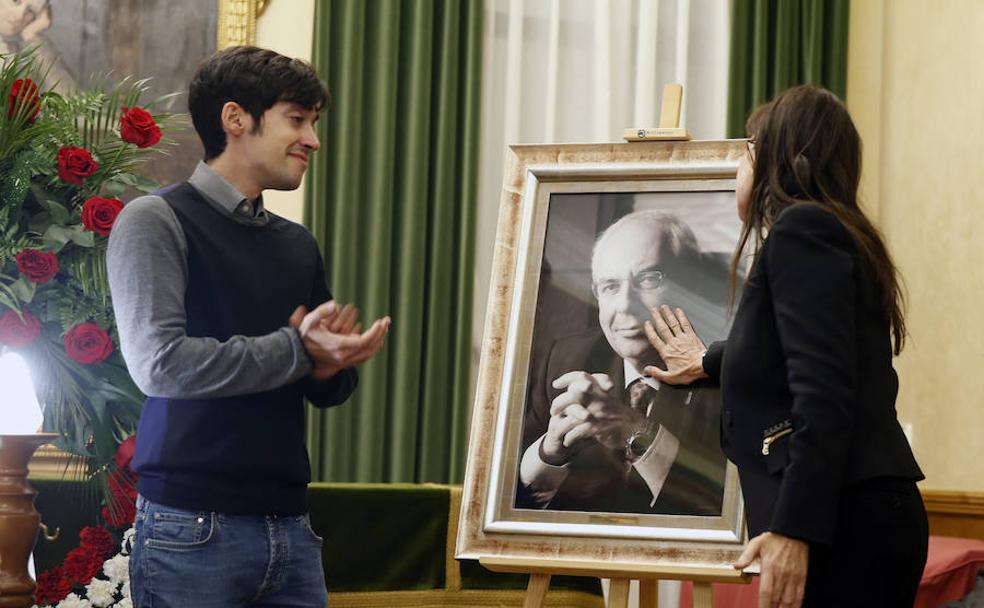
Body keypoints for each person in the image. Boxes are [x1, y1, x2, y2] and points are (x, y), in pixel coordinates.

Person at [107, 46, 390, 608]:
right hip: (191, 530)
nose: (313, 139)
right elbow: (159, 365)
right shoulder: (153, 219)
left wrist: (328, 367)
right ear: (235, 119)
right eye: (298, 119)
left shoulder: (297, 243)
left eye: (313, 123)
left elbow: (315, 378)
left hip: (292, 526)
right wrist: (297, 349)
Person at [644, 85, 927, 607]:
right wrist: (705, 361)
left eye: (748, 150)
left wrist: (796, 530)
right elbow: (798, 348)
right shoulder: (835, 231)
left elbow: (823, 393)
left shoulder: (802, 231)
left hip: (845, 527)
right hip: (861, 518)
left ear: (782, 160)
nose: (738, 165)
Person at [516, 210, 727, 515]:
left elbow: (719, 505)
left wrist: (634, 429)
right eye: (610, 286)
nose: (626, 305)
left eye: (649, 279)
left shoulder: (727, 370)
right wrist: (551, 452)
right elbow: (510, 497)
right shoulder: (566, 359)